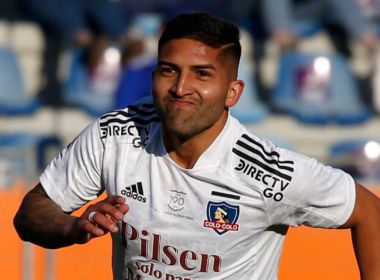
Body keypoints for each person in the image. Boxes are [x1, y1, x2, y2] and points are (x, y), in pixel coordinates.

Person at [13, 12, 380, 279]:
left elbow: (369, 213)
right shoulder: (114, 134)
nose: (180, 87)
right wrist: (72, 227)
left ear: (232, 93)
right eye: (169, 70)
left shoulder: (269, 172)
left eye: (202, 74)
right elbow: (31, 211)